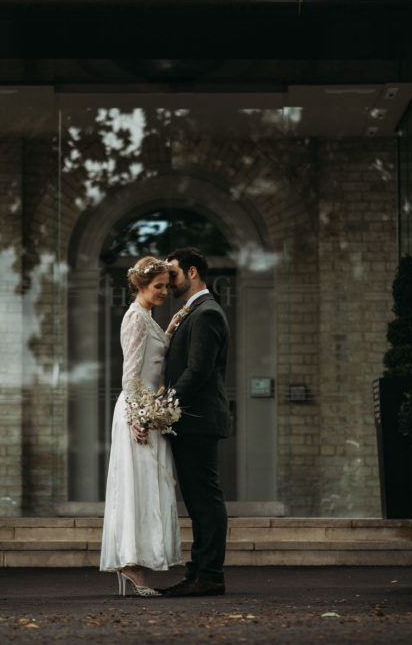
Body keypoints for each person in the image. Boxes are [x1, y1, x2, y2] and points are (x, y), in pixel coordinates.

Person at [99, 256, 182, 597]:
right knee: (137, 488)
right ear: (141, 286)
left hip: (149, 411)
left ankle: (138, 564)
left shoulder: (148, 317)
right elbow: (130, 374)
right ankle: (132, 565)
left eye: (166, 285)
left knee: (149, 488)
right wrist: (137, 417)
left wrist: (173, 325)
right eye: (158, 286)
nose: (165, 291)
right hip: (138, 414)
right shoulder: (135, 317)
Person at [158, 247, 230, 597]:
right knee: (199, 500)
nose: (167, 282)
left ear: (191, 272)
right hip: (190, 421)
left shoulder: (207, 313)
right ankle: (200, 572)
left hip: (198, 420)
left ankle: (209, 574)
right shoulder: (194, 311)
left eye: (172, 274)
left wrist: (162, 406)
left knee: (205, 500)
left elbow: (197, 371)